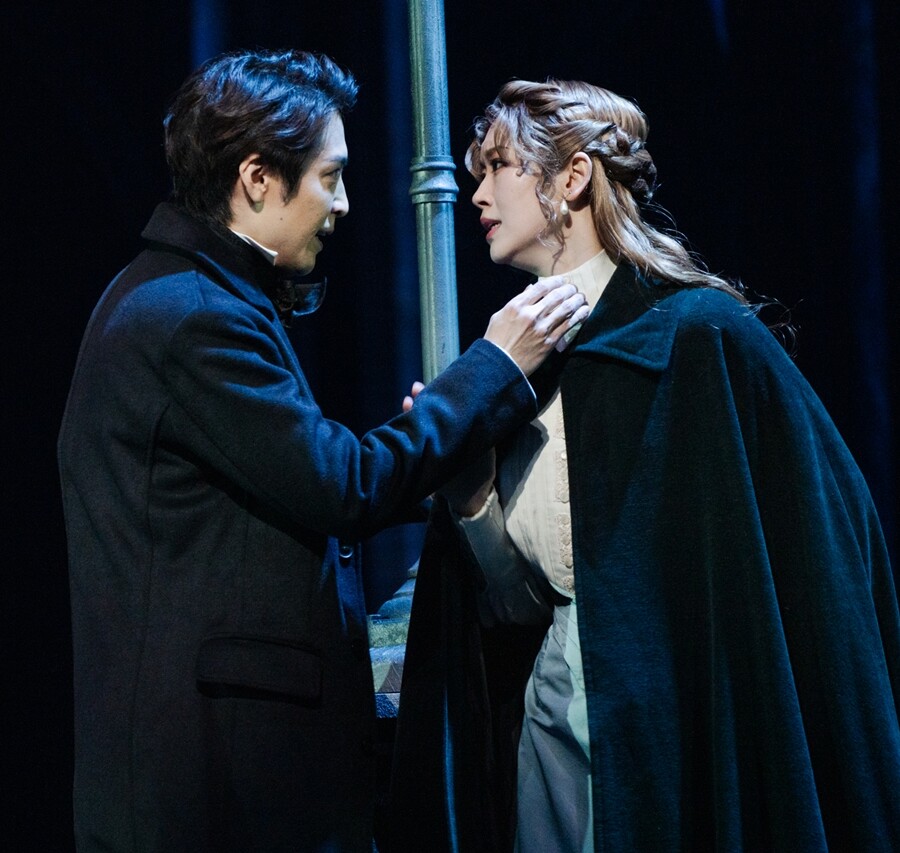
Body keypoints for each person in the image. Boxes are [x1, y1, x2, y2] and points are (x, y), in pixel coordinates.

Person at [57, 52, 589, 853]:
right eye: (329, 178)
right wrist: (495, 366)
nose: (342, 204)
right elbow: (342, 483)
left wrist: (449, 470)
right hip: (214, 789)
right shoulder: (192, 316)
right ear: (257, 178)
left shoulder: (190, 298)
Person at [391, 79, 900, 852]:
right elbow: (520, 606)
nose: (478, 193)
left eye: (496, 166)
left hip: (680, 744)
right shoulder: (513, 376)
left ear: (573, 176)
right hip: (560, 741)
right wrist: (471, 496)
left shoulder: (696, 338)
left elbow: (827, 539)